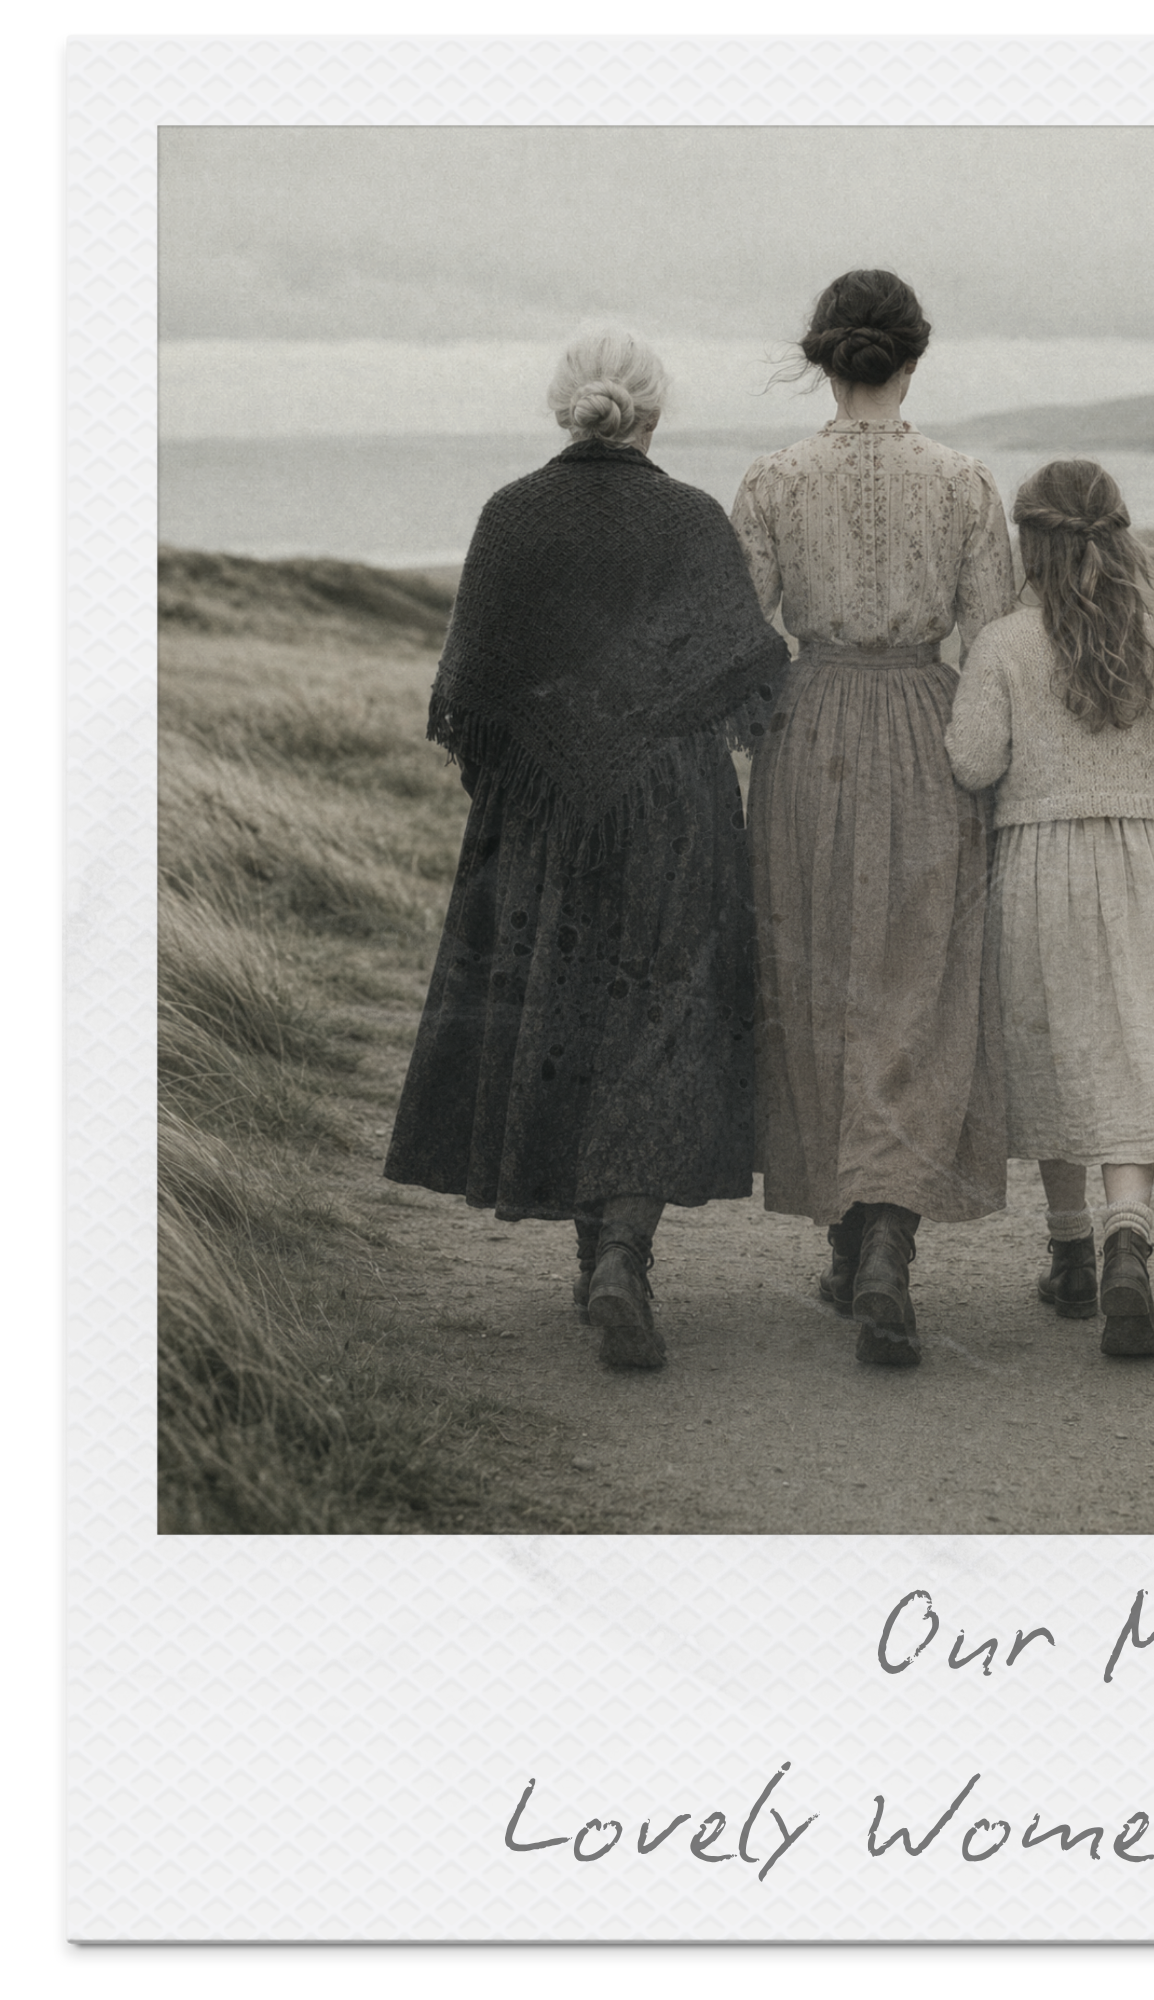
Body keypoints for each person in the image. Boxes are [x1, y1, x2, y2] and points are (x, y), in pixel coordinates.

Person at [384, 329, 789, 1370]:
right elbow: (748, 670)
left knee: (565, 1015)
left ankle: (594, 1256)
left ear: (563, 406)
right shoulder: (689, 518)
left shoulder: (510, 516)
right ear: (654, 412)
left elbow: (472, 695)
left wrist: (515, 791)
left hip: (542, 815)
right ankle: (620, 1251)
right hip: (673, 806)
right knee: (661, 1021)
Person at [730, 270, 1017, 1368]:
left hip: (807, 732)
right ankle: (886, 1236)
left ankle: (853, 1236)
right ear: (914, 357)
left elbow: (740, 634)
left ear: (822, 357)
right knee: (915, 985)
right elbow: (993, 640)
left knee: (820, 981)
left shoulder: (771, 480)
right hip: (927, 731)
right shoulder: (962, 483)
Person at [943, 459, 1154, 1357]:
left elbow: (973, 762)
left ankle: (1069, 1253)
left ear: (1027, 545)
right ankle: (1126, 1241)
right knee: (1131, 1055)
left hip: (1037, 875)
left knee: (1057, 1054)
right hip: (1143, 871)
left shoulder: (1003, 644)